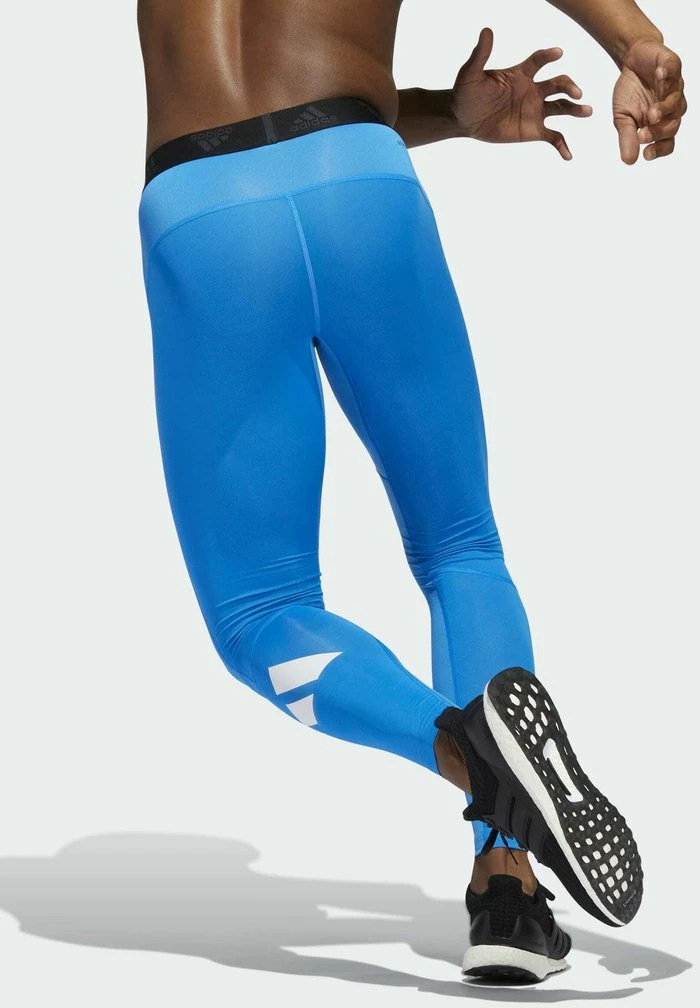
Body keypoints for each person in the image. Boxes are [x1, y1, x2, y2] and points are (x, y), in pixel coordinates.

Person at [136, 0, 686, 983]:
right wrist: (630, 39)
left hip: (200, 212)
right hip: (359, 177)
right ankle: (507, 893)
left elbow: (253, 98)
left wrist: (446, 112)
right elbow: (306, 95)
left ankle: (468, 753)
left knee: (260, 614)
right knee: (460, 547)